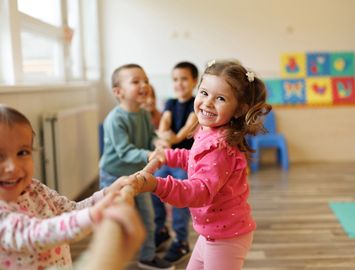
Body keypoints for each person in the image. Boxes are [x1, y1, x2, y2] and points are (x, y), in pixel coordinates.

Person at [118, 59, 272, 269]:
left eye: (220, 98)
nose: (207, 103)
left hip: (226, 238)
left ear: (239, 109)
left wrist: (156, 185)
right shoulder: (208, 130)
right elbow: (194, 157)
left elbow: (198, 192)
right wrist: (167, 155)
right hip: (211, 232)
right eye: (204, 93)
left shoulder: (220, 147)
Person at [0, 104, 145, 270]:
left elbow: (72, 210)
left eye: (22, 153)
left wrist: (108, 194)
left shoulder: (35, 189)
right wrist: (94, 215)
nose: (13, 167)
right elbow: (34, 234)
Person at [98, 64, 173, 270]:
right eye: (136, 81)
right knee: (115, 220)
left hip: (138, 175)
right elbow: (124, 151)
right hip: (113, 176)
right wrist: (149, 153)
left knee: (147, 217)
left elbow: (150, 138)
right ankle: (109, 259)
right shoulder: (115, 119)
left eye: (146, 80)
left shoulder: (143, 114)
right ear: (118, 92)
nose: (144, 85)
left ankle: (147, 256)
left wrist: (157, 142)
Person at [153, 61, 199, 263]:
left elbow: (185, 131)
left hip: (186, 162)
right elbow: (164, 123)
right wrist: (163, 135)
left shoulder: (197, 103)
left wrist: (168, 138)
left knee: (180, 199)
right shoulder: (170, 103)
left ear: (194, 81)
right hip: (169, 159)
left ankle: (181, 241)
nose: (179, 83)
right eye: (175, 79)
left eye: (184, 79)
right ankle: (161, 229)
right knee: (153, 187)